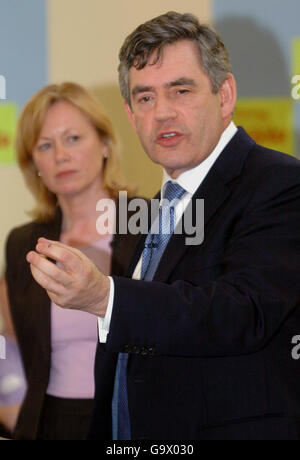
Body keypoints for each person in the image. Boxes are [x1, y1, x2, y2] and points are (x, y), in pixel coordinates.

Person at [27, 12, 300, 440]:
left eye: (181, 90)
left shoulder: (280, 182)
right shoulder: (157, 207)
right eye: (145, 98)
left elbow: (238, 312)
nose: (162, 113)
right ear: (130, 115)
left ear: (225, 94)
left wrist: (103, 296)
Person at [4, 82, 139, 440]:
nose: (61, 155)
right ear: (34, 164)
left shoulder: (149, 225)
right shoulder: (22, 243)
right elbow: (25, 351)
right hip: (48, 422)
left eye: (74, 138)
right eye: (46, 145)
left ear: (106, 144)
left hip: (127, 419)